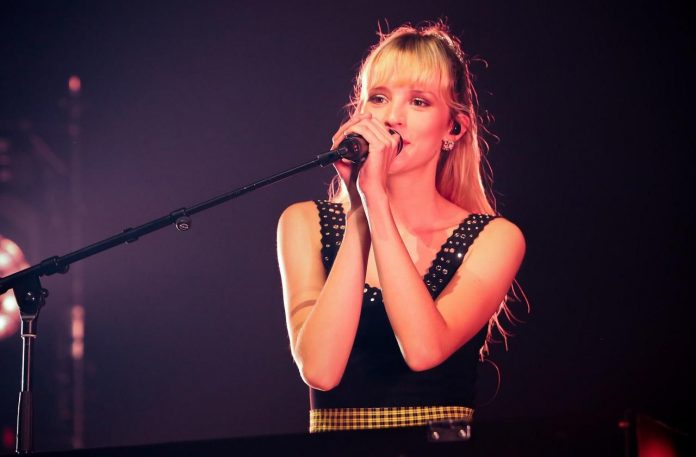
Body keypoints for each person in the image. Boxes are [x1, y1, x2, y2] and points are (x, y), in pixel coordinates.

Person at [276, 21, 525, 433]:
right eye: (378, 98)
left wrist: (376, 200)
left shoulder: (495, 238)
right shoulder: (302, 222)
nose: (392, 117)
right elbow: (320, 370)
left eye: (419, 102)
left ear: (454, 128)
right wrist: (361, 209)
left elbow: (424, 350)